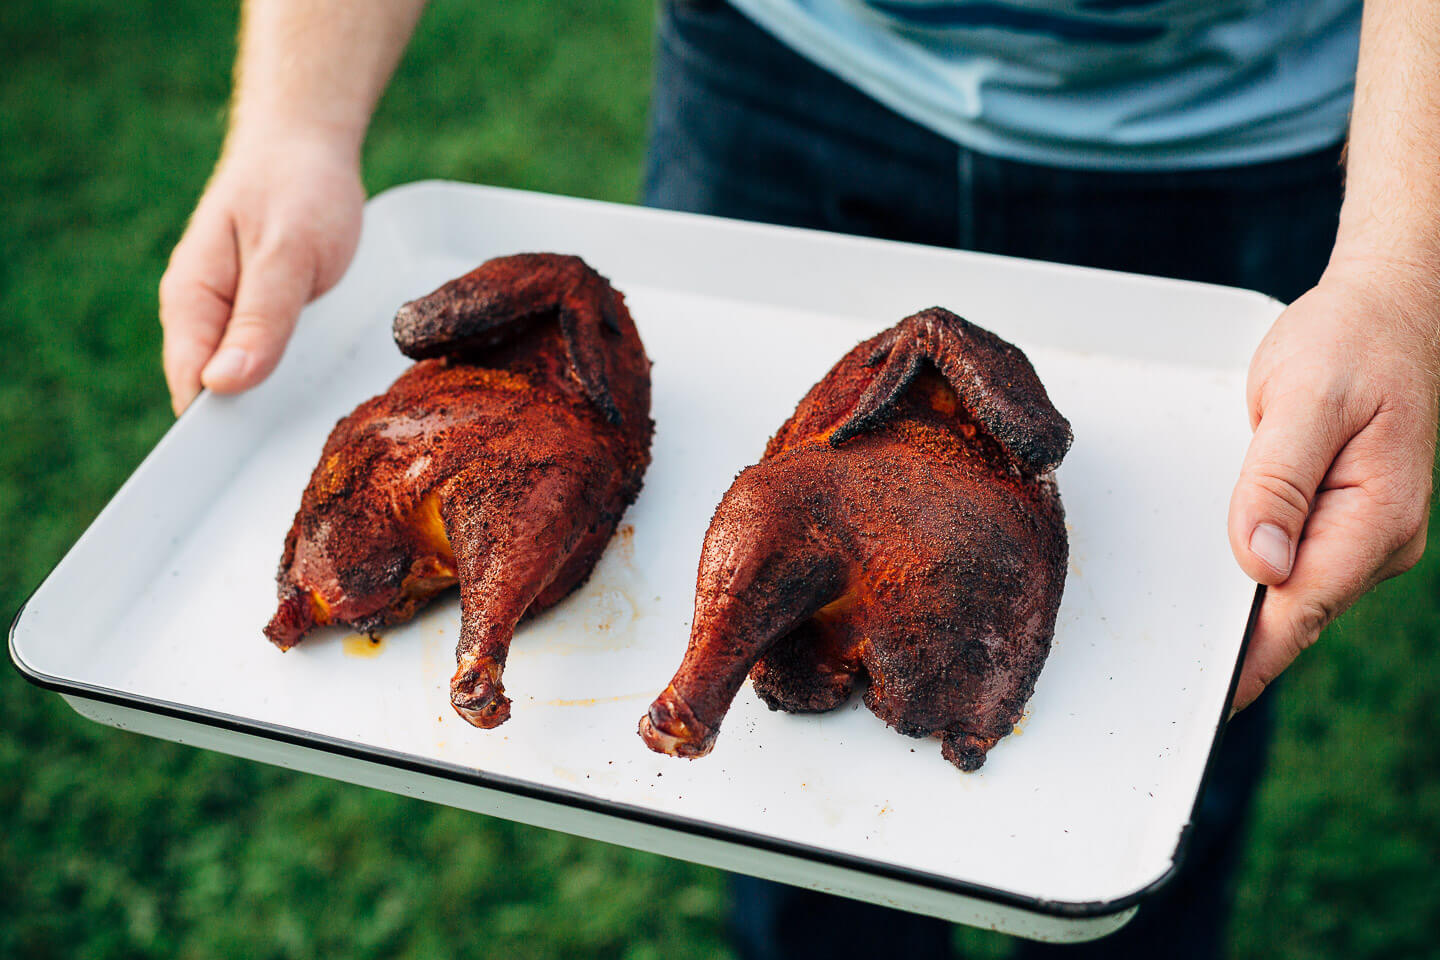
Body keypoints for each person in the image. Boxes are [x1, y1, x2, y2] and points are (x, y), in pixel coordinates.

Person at [158, 0, 1439, 955]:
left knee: (1164, 770)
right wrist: (294, 127)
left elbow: (1007, 434)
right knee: (800, 856)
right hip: (775, 67)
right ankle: (721, 695)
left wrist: (1396, 264)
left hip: (1232, 129)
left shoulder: (827, 460)